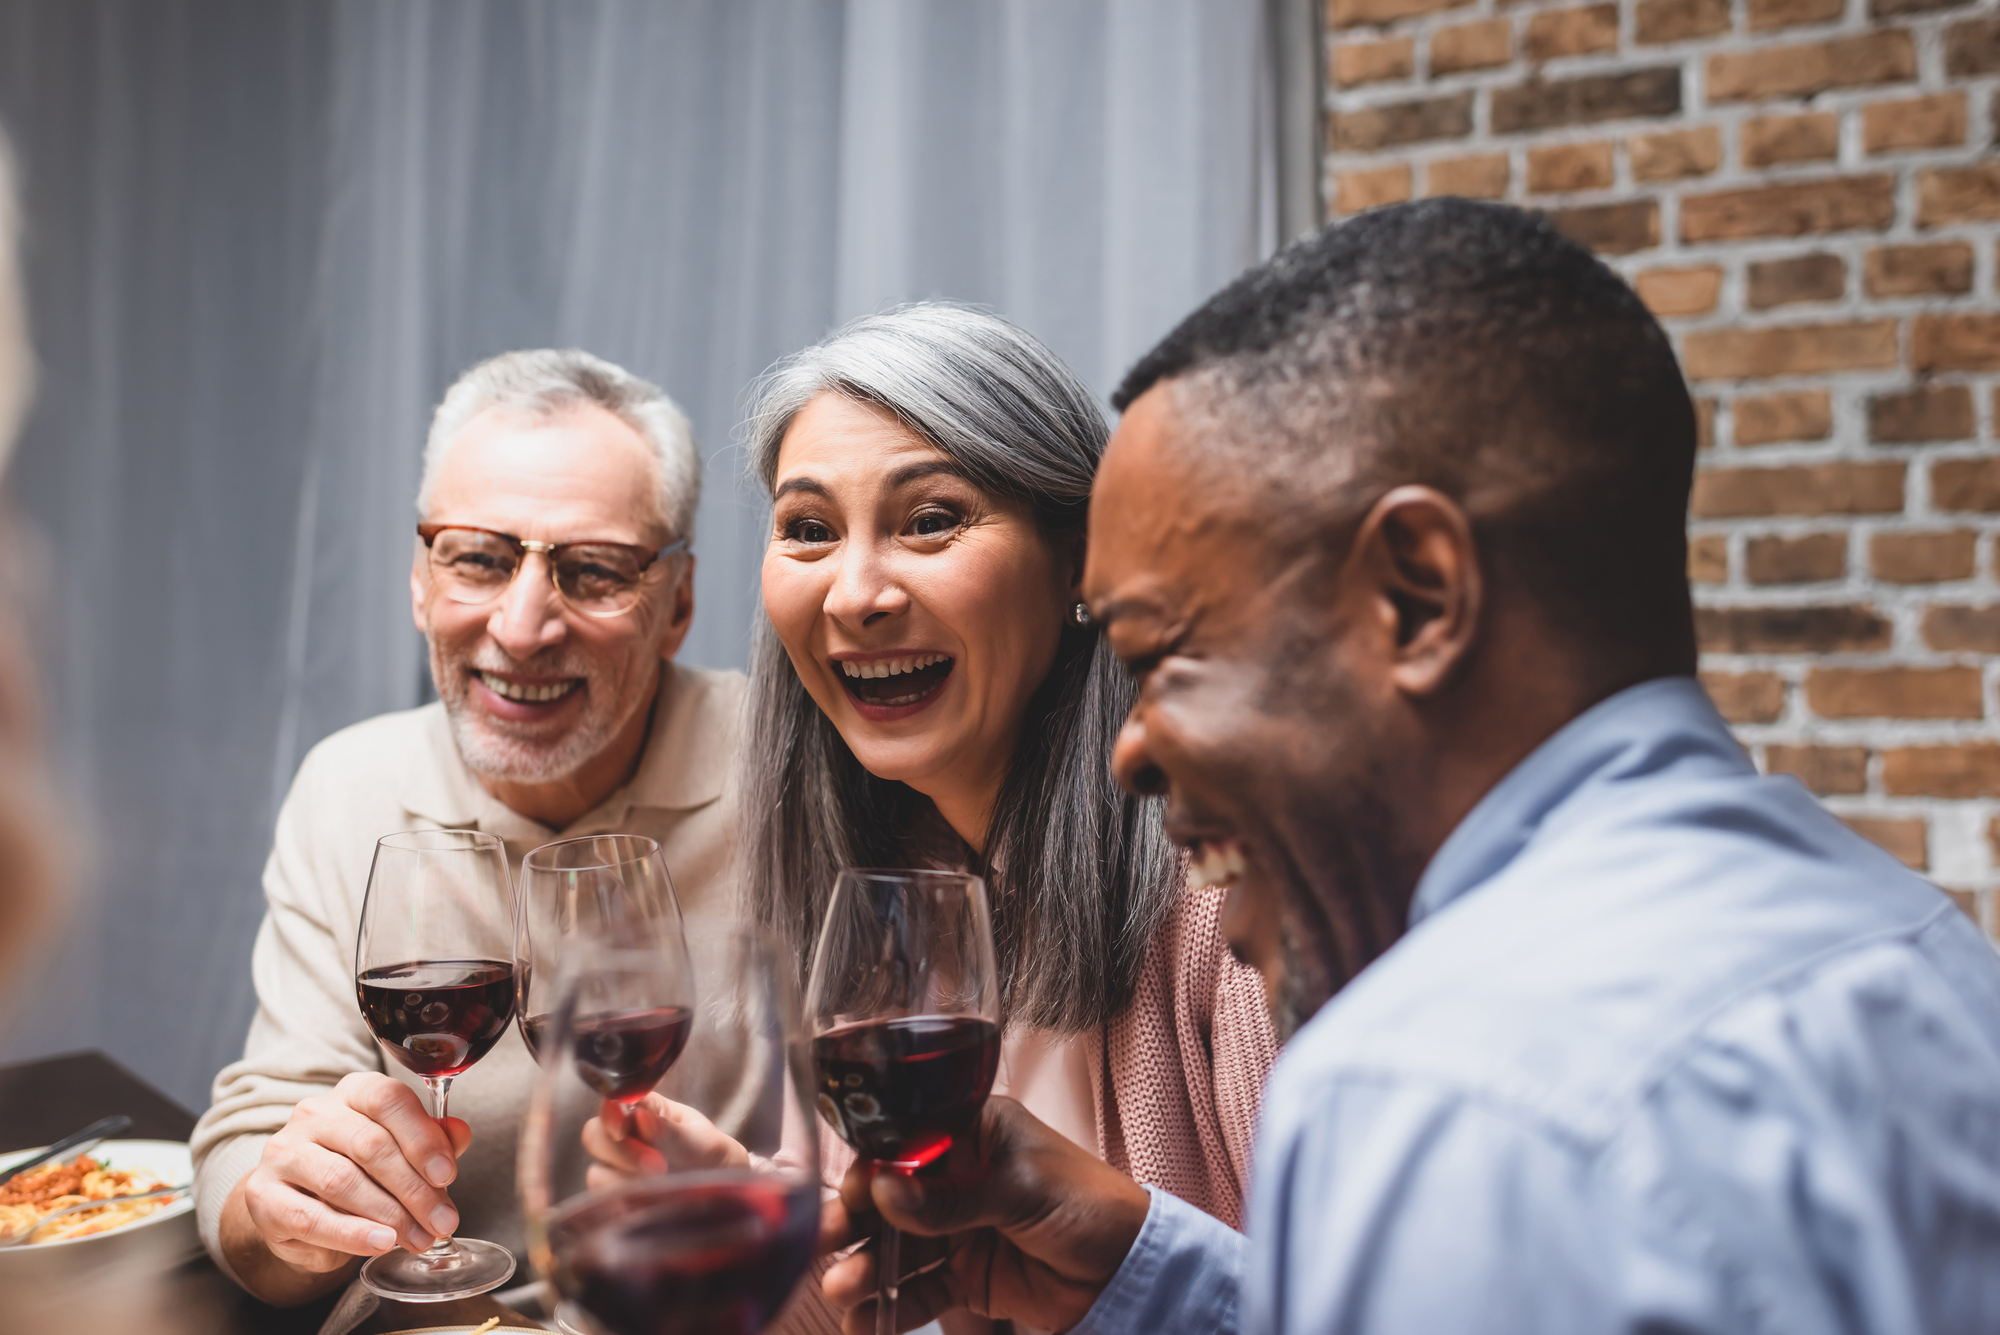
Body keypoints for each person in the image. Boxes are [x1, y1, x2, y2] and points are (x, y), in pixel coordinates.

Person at [818, 200, 2000, 1334]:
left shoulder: (1429, 1085)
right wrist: (1148, 1277)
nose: (1128, 749)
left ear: (1417, 594)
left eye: (1163, 654)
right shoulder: (1921, 954)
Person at [737, 304, 1276, 1310]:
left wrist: (1132, 1268)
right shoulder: (880, 885)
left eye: (929, 519)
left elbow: (1365, 1305)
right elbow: (869, 1295)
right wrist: (757, 1257)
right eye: (808, 530)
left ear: (1080, 558)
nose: (854, 594)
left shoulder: (1233, 889)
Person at [190, 349, 744, 1306]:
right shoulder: (349, 786)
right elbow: (258, 1152)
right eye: (480, 559)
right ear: (420, 580)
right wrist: (284, 1210)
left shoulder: (797, 772)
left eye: (594, 571)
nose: (523, 628)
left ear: (678, 605)